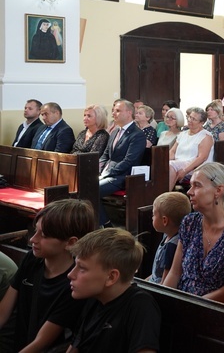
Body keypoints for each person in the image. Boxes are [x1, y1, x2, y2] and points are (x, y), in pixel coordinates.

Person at [0, 199, 96, 352]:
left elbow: (42, 342)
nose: (33, 239)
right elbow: (3, 312)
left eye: (43, 235)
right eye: (35, 231)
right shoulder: (32, 259)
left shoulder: (74, 284)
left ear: (71, 243)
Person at [67, 228, 161, 352]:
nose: (70, 274)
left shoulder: (140, 306)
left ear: (111, 277)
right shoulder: (93, 299)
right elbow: (75, 347)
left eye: (82, 268)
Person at [163, 163, 224, 301]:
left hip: (211, 308)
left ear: (218, 190)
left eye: (197, 185)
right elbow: (175, 273)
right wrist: (163, 299)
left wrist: (196, 305)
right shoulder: (190, 222)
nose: (189, 191)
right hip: (181, 301)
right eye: (191, 185)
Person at [98, 99, 147, 227]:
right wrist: (99, 169)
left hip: (122, 176)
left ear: (129, 113)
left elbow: (130, 161)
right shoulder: (115, 132)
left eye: (118, 111)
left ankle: (107, 225)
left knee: (91, 190)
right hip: (108, 174)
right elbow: (105, 155)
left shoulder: (137, 135)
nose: (113, 113)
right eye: (113, 110)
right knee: (84, 187)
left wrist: (108, 172)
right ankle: (99, 223)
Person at [148, 192, 191, 284]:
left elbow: (165, 281)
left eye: (153, 215)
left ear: (164, 221)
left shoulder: (172, 246)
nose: (152, 218)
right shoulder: (168, 235)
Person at [168, 107, 214, 189]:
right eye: (190, 117)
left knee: (170, 165)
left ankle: (165, 196)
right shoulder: (183, 134)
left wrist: (185, 170)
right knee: (162, 165)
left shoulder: (205, 136)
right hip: (178, 163)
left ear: (201, 123)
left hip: (195, 167)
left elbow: (202, 158)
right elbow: (172, 152)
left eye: (194, 119)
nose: (190, 120)